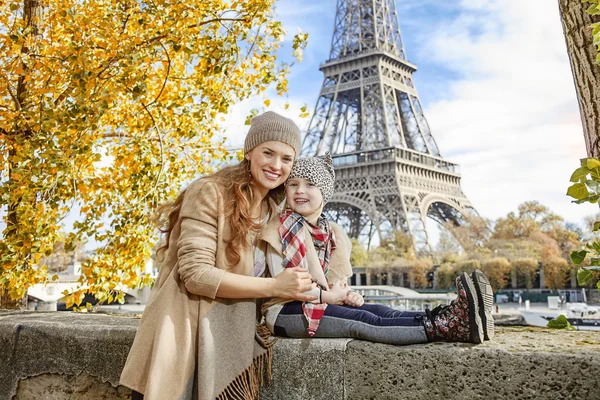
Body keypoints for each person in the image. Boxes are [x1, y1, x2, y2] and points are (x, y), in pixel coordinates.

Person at [120, 111, 314, 400]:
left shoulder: (275, 213)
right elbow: (196, 275)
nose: (276, 165)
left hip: (227, 343)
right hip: (180, 342)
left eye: (287, 159)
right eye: (268, 153)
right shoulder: (210, 192)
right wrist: (274, 287)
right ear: (249, 152)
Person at [256, 154, 495, 345]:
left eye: (310, 184)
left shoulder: (331, 233)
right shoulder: (281, 229)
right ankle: (446, 327)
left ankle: (450, 317)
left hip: (318, 303)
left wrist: (347, 294)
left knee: (381, 310)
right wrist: (330, 297)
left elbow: (333, 284)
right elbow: (287, 286)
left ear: (324, 193)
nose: (299, 190)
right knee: (363, 320)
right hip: (285, 312)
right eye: (293, 184)